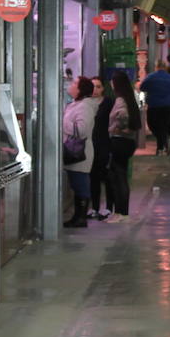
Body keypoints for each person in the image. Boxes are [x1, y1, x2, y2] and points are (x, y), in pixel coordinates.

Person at [105, 70, 142, 223]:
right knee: (120, 176)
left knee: (118, 177)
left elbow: (123, 117)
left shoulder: (120, 100)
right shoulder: (129, 98)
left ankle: (121, 212)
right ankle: (121, 212)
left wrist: (116, 128)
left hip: (120, 141)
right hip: (127, 143)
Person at [62, 77, 98, 228]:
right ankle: (77, 216)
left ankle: (81, 217)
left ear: (81, 89)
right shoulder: (75, 104)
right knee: (76, 184)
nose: (71, 85)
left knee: (80, 183)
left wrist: (61, 121)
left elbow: (81, 130)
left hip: (79, 152)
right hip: (72, 151)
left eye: (75, 83)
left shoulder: (85, 107)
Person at [89, 76, 115, 220]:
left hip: (104, 143)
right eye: (93, 86)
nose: (95, 90)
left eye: (98, 86)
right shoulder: (86, 103)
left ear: (103, 88)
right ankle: (94, 207)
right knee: (93, 177)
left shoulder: (108, 103)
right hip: (90, 144)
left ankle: (109, 207)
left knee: (106, 176)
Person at [141, 60, 170, 155]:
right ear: (165, 67)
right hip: (167, 105)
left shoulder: (151, 77)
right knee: (164, 125)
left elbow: (142, 87)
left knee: (153, 125)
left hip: (154, 105)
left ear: (156, 67)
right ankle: (163, 144)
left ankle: (161, 145)